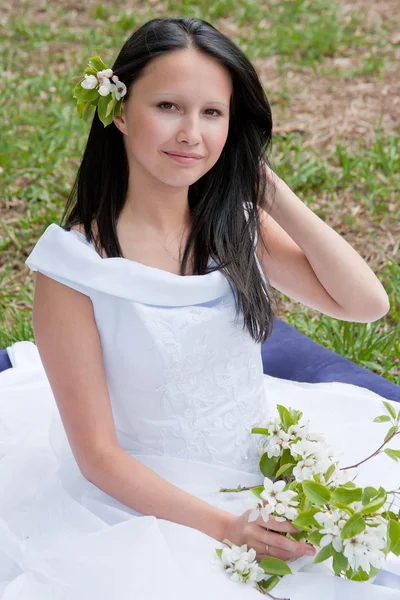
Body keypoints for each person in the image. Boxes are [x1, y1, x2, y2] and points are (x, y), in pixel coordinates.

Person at [1, 16, 399, 600]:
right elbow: (100, 457)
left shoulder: (232, 226)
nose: (191, 132)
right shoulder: (75, 270)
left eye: (213, 113)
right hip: (147, 496)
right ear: (117, 111)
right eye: (167, 106)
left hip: (257, 464)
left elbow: (365, 304)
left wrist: (266, 188)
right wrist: (230, 529)